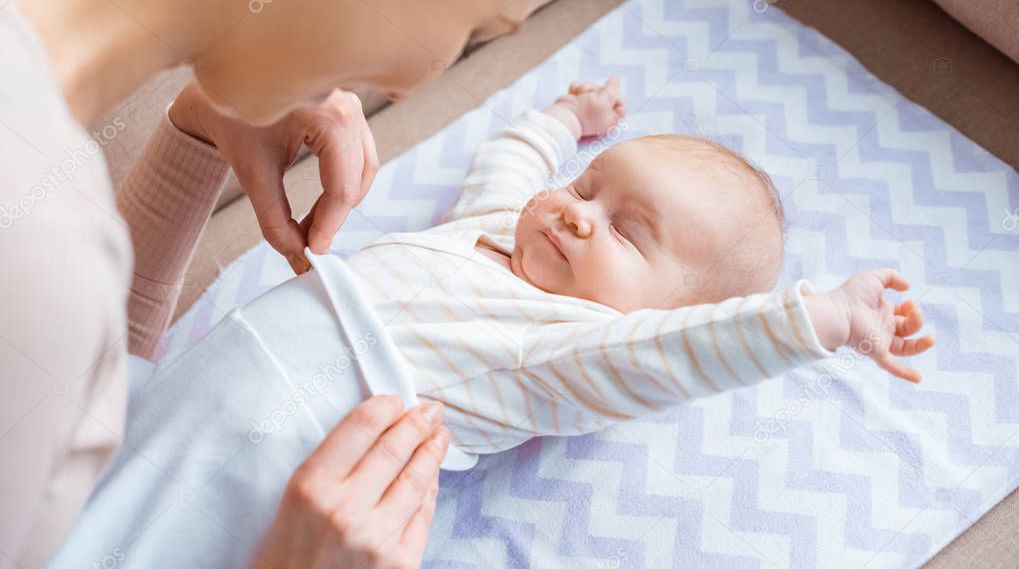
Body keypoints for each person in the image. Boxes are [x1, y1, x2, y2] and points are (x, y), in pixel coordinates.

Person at [46, 79, 934, 567]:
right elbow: (509, 168)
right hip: (145, 418)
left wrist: (815, 318)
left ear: (660, 314)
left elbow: (686, 354)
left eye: (627, 232)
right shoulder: (493, 233)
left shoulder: (560, 350)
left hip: (255, 474)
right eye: (590, 188)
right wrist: (561, 123)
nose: (578, 213)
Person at [0, 0, 636, 566]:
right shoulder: (39, 249)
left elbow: (52, 428)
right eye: (478, 27)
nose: (412, 86)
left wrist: (196, 139)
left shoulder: (44, 241)